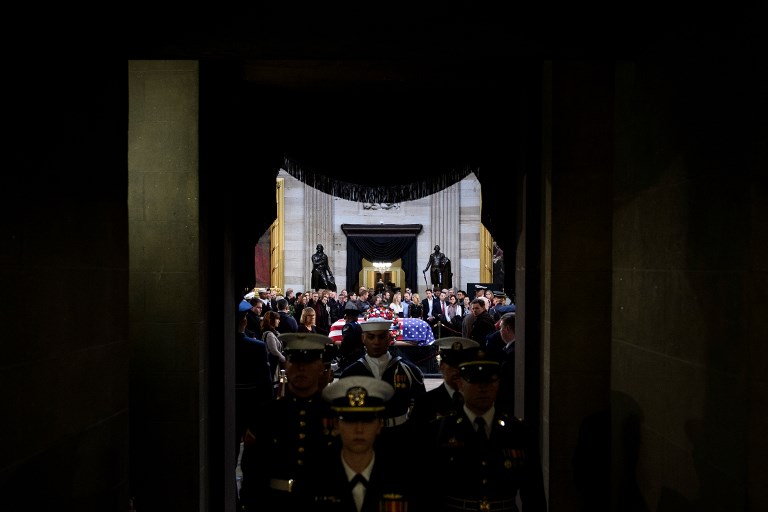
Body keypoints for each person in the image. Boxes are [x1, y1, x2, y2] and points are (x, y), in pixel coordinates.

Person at [415, 346, 547, 511]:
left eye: (489, 380)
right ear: (461, 383)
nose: (482, 388)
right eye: (474, 380)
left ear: (498, 383)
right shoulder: (438, 431)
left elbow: (533, 494)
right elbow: (425, 492)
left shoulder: (519, 432)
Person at [238, 333, 339, 511]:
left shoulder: (337, 416)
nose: (301, 368)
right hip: (275, 503)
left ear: (320, 368)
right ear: (286, 365)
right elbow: (251, 469)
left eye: (308, 362)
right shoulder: (266, 414)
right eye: (295, 361)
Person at [292, 376, 415, 511]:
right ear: (336, 425)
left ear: (380, 425)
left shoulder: (402, 476)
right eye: (350, 420)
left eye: (367, 420)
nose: (359, 429)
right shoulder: (313, 477)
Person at [340, 317, 426, 451]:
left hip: (399, 438)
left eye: (381, 337)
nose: (376, 342)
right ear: (363, 339)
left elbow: (421, 411)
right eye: (371, 337)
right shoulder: (350, 374)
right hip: (364, 441)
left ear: (389, 339)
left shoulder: (408, 371)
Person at [408, 336, 479, 429]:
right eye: (452, 365)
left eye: (462, 366)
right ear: (441, 366)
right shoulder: (425, 402)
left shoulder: (480, 399)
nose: (457, 371)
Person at [235, 304, 274, 457]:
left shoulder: (216, 345)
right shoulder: (256, 347)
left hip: (227, 406)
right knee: (254, 452)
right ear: (244, 322)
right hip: (252, 406)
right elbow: (265, 383)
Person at [486, 312, 516, 415]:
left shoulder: (511, 353)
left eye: (501, 329)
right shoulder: (512, 349)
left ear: (507, 329)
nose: (500, 332)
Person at [260, 310, 285, 386]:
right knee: (275, 386)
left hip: (276, 364)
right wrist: (284, 359)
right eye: (277, 319)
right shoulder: (269, 334)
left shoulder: (275, 333)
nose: (279, 321)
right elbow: (274, 351)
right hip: (273, 365)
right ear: (271, 320)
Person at [339, 301, 364, 371]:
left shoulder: (348, 326)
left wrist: (341, 353)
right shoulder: (358, 325)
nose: (345, 319)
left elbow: (346, 342)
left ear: (349, 316)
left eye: (345, 317)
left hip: (351, 356)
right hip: (359, 354)